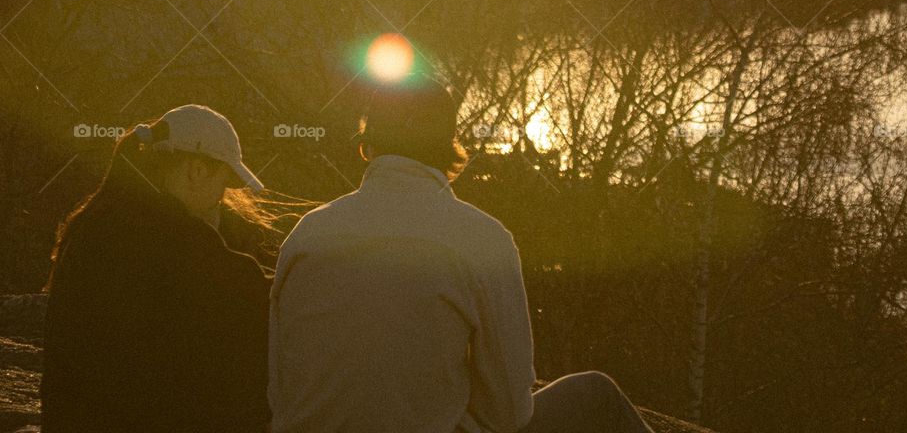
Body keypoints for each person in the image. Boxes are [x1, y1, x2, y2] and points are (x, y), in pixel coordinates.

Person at [269, 76, 654, 433]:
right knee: (594, 394)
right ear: (449, 147)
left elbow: (279, 387)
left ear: (368, 145)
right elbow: (508, 413)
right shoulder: (481, 239)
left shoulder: (309, 233)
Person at [42, 104, 273, 433]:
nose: (222, 198)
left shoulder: (97, 220)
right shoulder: (171, 235)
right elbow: (246, 294)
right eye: (223, 182)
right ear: (196, 170)